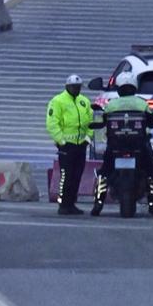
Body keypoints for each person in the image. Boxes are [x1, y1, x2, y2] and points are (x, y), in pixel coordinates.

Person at [91, 81, 153, 217]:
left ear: (119, 90)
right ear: (134, 89)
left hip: (115, 146)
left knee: (104, 172)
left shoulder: (111, 104)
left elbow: (103, 121)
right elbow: (152, 121)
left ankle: (98, 204)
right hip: (139, 146)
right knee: (151, 173)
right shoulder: (141, 103)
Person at [45, 74, 95, 215]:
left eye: (78, 87)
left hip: (81, 145)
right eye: (74, 87)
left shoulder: (84, 101)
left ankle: (71, 203)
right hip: (67, 146)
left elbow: (90, 121)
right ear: (67, 86)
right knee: (66, 175)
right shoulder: (58, 101)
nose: (77, 89)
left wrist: (88, 138)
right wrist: (61, 141)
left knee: (77, 175)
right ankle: (63, 204)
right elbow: (52, 123)